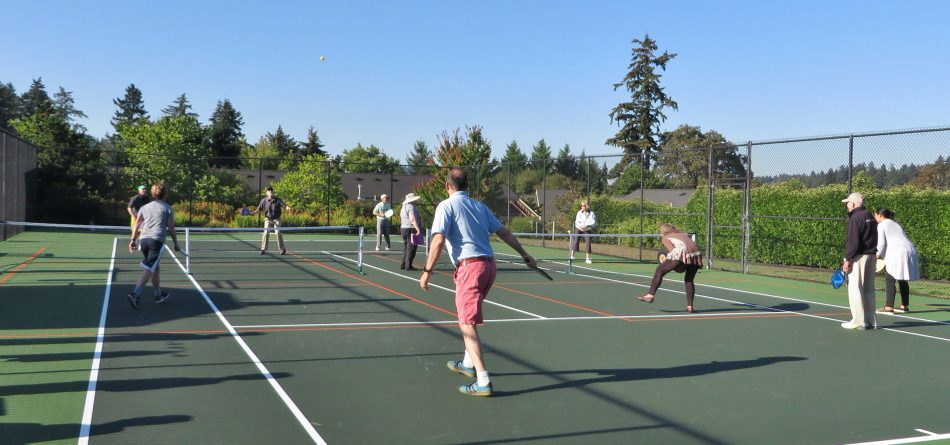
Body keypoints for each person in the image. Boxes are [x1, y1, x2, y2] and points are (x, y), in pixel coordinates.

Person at [419, 168, 538, 397]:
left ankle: (483, 381)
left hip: (470, 269)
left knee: (467, 324)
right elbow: (503, 232)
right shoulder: (480, 206)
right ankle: (468, 364)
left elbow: (438, 240)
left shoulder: (446, 206)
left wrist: (426, 271)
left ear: (447, 186)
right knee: (469, 317)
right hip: (489, 268)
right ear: (466, 186)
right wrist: (524, 254)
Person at [128, 183, 179, 309]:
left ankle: (158, 295)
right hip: (156, 241)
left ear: (152, 193)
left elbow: (136, 225)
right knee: (150, 268)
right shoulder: (168, 208)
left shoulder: (144, 208)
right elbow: (171, 229)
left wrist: (133, 240)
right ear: (164, 194)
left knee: (155, 267)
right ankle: (135, 294)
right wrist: (176, 243)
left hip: (144, 240)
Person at [637, 223, 704, 312]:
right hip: (696, 254)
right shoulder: (683, 234)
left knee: (659, 270)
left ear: (663, 231)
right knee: (689, 280)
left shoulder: (666, 238)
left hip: (682, 253)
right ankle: (690, 306)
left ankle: (650, 295)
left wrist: (669, 263)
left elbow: (673, 251)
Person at [840, 192, 878, 330]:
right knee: (868, 289)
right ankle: (870, 321)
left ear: (854, 204)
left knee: (855, 288)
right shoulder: (870, 216)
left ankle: (858, 320)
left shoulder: (855, 218)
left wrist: (847, 259)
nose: (847, 205)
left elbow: (853, 242)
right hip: (872, 256)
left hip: (859, 257)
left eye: (848, 203)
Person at [874, 208, 920, 314]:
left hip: (898, 252)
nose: (875, 217)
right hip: (909, 249)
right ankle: (904, 306)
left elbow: (881, 244)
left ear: (880, 215)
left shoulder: (881, 225)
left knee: (889, 278)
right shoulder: (895, 224)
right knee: (902, 277)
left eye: (875, 215)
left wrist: (876, 256)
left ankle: (888, 307)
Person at [249, 187, 289, 255]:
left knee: (278, 232)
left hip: (276, 219)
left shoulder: (277, 199)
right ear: (267, 193)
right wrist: (253, 213)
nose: (270, 191)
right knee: (266, 233)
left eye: (271, 190)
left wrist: (287, 207)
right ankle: (263, 249)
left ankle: (282, 249)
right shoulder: (264, 200)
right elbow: (259, 209)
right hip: (268, 219)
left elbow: (284, 205)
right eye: (269, 190)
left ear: (273, 192)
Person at [399, 192, 423, 270]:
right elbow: (412, 218)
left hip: (404, 228)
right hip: (410, 228)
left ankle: (403, 264)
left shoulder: (403, 207)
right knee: (412, 247)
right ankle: (408, 266)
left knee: (406, 247)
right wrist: (417, 229)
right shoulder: (410, 207)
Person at [569, 200, 597, 264]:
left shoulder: (592, 213)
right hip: (579, 228)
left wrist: (587, 225)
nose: (582, 207)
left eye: (583, 206)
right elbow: (577, 221)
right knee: (575, 241)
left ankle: (587, 258)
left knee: (588, 242)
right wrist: (581, 225)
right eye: (581, 205)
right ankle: (572, 257)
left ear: (587, 206)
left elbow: (593, 222)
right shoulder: (579, 213)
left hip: (587, 230)